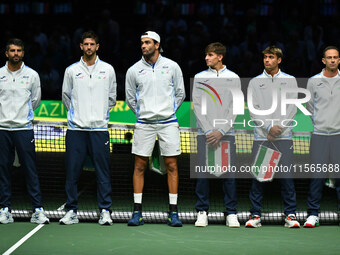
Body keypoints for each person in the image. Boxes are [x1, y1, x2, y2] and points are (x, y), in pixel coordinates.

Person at [125, 31, 185, 227]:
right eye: (142, 43)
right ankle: (137, 212)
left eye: (147, 42)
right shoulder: (133, 70)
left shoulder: (172, 66)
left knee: (172, 166)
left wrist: (167, 112)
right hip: (144, 124)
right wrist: (144, 114)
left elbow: (180, 93)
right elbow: (130, 98)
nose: (143, 46)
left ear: (157, 45)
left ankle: (173, 213)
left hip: (168, 123)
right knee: (139, 166)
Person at [60, 31, 117, 225]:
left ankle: (105, 210)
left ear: (97, 47)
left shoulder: (108, 70)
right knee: (72, 172)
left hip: (99, 130)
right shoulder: (71, 70)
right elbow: (66, 97)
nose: (89, 47)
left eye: (92, 44)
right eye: (86, 44)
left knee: (103, 172)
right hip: (76, 130)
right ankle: (71, 211)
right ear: (81, 46)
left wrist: (99, 115)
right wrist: (78, 116)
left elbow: (111, 98)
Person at [245, 45, 300, 228]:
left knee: (287, 178)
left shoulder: (290, 80)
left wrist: (280, 128)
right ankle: (255, 215)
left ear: (279, 60)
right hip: (263, 137)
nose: (267, 60)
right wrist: (269, 127)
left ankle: (290, 215)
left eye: (271, 57)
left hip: (284, 138)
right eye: (265, 57)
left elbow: (292, 107)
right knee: (260, 178)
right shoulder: (255, 82)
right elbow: (254, 110)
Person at [0, 38, 49, 224]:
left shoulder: (32, 75)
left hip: (24, 129)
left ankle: (37, 209)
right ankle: (5, 209)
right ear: (6, 53)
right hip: (2, 129)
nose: (15, 54)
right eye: (12, 50)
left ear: (23, 53)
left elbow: (35, 101)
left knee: (30, 170)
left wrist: (23, 117)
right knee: (3, 170)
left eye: (19, 50)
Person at [192, 42, 241, 227]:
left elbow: (234, 108)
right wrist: (207, 130)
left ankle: (231, 213)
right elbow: (197, 105)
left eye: (210, 55)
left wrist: (220, 131)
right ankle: (202, 211)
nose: (206, 58)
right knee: (203, 175)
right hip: (204, 134)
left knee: (228, 175)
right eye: (206, 55)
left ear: (220, 57)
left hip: (226, 134)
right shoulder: (199, 77)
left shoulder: (233, 77)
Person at [304, 46, 340, 228]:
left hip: (338, 136)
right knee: (317, 176)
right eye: (329, 58)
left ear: (339, 60)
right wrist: (320, 121)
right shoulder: (313, 81)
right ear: (323, 61)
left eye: (335, 57)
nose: (332, 60)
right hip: (318, 135)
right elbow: (310, 107)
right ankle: (313, 214)